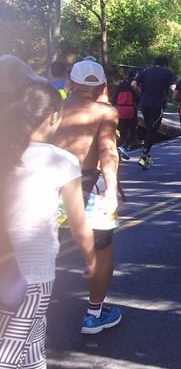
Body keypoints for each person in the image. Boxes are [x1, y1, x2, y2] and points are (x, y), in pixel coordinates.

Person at [1, 79, 98, 369]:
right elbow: (79, 224)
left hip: (4, 267)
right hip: (32, 276)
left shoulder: (5, 150)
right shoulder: (61, 160)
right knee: (5, 359)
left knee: (30, 341)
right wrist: (91, 260)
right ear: (54, 117)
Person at [54, 59, 123, 334]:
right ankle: (94, 315)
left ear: (71, 82)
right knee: (101, 252)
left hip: (50, 186)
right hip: (89, 187)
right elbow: (108, 151)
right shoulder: (105, 112)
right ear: (102, 86)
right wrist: (112, 188)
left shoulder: (52, 107)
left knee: (44, 250)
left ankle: (29, 307)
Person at [132, 56, 176, 170]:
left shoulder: (145, 72)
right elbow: (173, 88)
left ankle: (146, 156)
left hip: (144, 104)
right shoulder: (168, 73)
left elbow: (133, 84)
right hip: (157, 104)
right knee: (152, 130)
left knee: (149, 128)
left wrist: (140, 94)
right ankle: (144, 156)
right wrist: (176, 98)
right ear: (165, 64)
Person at [113, 69, 139, 158]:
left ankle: (119, 145)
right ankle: (125, 146)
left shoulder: (121, 84)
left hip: (120, 109)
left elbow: (115, 98)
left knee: (121, 131)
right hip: (130, 109)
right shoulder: (134, 85)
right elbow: (137, 98)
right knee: (131, 130)